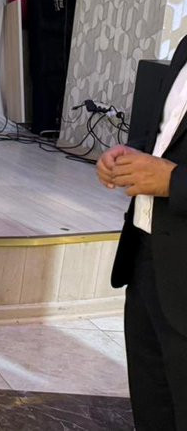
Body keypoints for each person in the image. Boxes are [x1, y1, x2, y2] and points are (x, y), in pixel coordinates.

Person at [98, 39, 187, 430]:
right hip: (148, 257)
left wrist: (174, 182)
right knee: (153, 410)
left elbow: (173, 173)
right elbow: (167, 138)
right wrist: (129, 155)